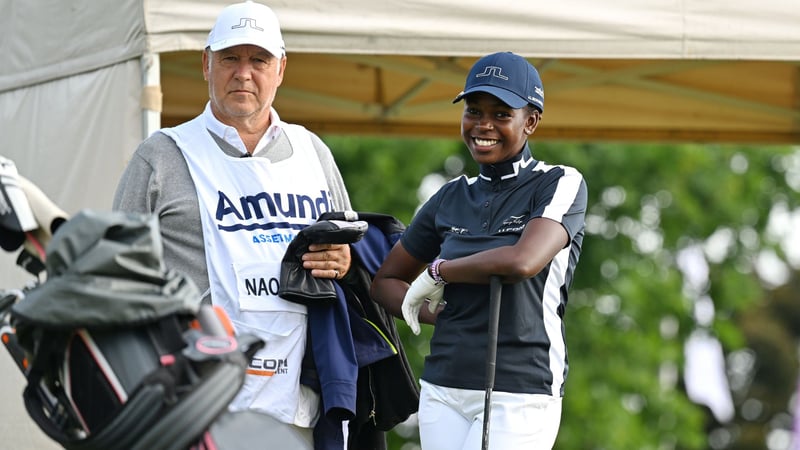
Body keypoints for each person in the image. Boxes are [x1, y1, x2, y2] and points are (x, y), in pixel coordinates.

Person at [113, 2, 354, 448]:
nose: (244, 73)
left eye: (259, 60)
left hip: (299, 403)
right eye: (230, 58)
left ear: (280, 69)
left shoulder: (312, 151)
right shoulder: (161, 155)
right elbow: (117, 276)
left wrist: (343, 259)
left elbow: (348, 255)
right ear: (206, 64)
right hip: (193, 399)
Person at [370, 52, 587, 450]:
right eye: (473, 111)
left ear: (531, 121)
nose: (483, 125)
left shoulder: (559, 184)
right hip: (443, 386)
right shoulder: (451, 196)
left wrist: (440, 272)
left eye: (501, 114)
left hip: (520, 389)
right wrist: (429, 311)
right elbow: (385, 282)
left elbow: (522, 261)